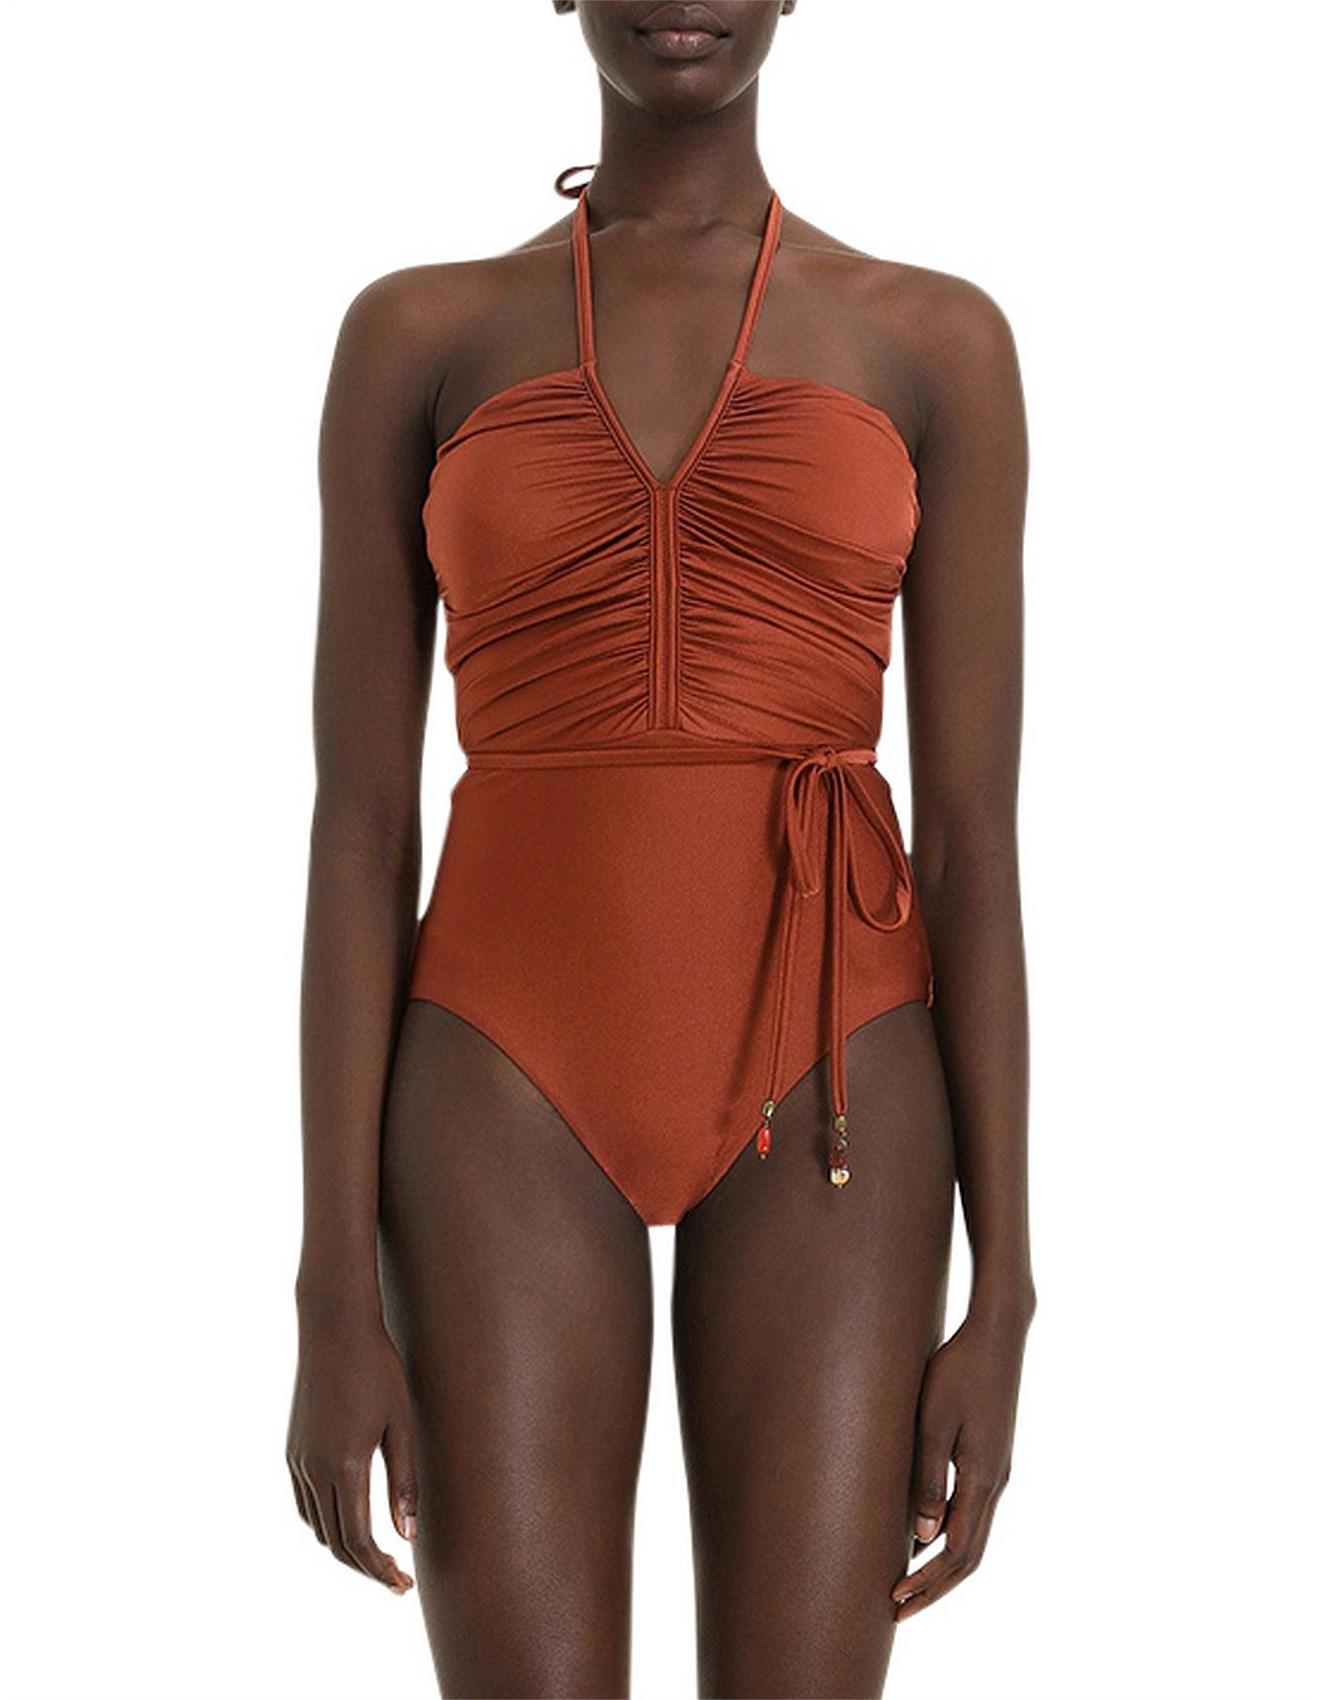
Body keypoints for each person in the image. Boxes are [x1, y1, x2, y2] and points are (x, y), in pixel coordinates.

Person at [285, 2, 1035, 1693]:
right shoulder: (416, 335)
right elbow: (356, 829)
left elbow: (975, 847)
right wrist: (331, 1289)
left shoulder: (936, 340)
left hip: (839, 1072)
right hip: (500, 1064)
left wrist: (1007, 1296)